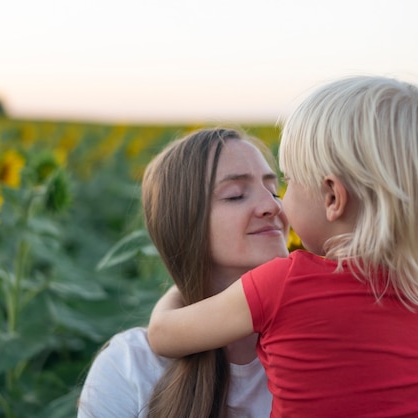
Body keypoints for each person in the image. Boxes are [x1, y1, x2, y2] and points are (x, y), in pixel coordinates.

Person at [147, 76, 418, 417]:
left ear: (332, 197)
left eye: (286, 182)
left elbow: (162, 335)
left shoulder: (283, 284)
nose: (277, 204)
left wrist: (179, 289)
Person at [77, 128, 290, 417]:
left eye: (274, 189)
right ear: (185, 225)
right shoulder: (131, 367)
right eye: (235, 195)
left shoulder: (326, 344)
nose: (273, 205)